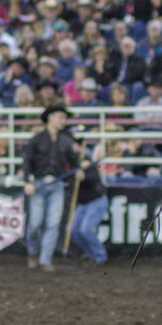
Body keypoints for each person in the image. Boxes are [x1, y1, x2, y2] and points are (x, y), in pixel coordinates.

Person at [22, 104, 78, 272]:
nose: (63, 121)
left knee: (53, 223)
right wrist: (27, 181)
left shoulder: (67, 140)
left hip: (57, 185)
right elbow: (27, 161)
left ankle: (45, 259)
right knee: (35, 224)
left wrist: (79, 168)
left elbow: (74, 160)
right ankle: (33, 252)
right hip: (38, 184)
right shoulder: (37, 139)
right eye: (61, 117)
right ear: (51, 117)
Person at [69, 149, 108, 264]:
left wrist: (83, 176)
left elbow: (93, 178)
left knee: (85, 230)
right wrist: (75, 175)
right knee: (73, 231)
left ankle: (100, 256)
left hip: (96, 201)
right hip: (82, 203)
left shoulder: (92, 168)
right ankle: (91, 253)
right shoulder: (73, 169)